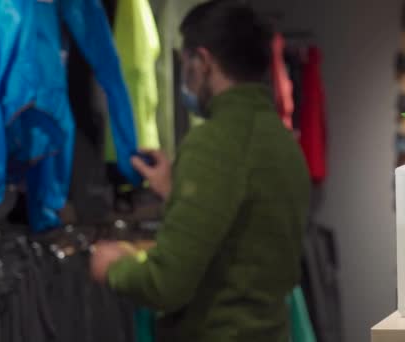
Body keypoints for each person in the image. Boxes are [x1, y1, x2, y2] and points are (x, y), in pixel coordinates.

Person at [89, 1, 311, 341]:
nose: (185, 78)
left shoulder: (215, 141)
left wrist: (113, 268)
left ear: (204, 62)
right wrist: (174, 191)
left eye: (186, 64)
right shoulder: (281, 141)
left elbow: (166, 284)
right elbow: (245, 237)